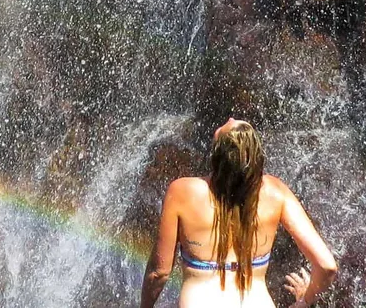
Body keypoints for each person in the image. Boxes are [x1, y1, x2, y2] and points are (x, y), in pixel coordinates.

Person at [139, 119, 338, 308]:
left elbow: (159, 273)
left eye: (232, 124)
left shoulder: (182, 192)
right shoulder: (276, 192)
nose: (231, 117)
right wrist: (303, 302)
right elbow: (327, 266)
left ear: (217, 154)